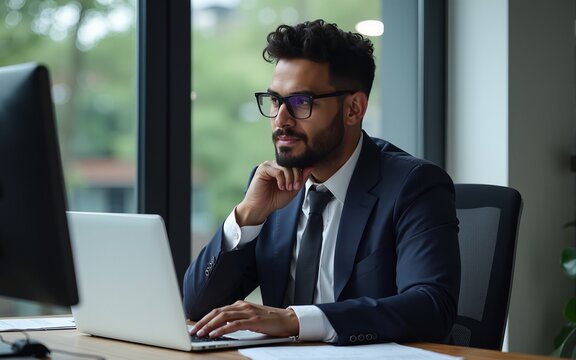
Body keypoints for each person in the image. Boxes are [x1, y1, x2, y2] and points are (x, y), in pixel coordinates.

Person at [184, 19, 460, 346]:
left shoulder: (413, 186)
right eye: (275, 101)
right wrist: (247, 215)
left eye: (301, 102)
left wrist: (294, 320)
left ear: (353, 109)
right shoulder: (270, 191)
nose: (281, 120)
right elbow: (197, 305)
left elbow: (431, 307)